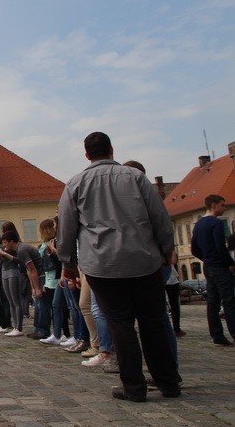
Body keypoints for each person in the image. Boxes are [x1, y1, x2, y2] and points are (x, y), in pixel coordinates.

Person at [57, 131, 180, 402]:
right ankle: (169, 383)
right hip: (144, 261)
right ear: (112, 149)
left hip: (103, 265)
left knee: (120, 325)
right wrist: (167, 250)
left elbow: (66, 229)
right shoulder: (135, 177)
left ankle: (134, 387)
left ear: (87, 155)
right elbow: (160, 217)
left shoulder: (75, 184)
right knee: (153, 323)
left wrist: (68, 264)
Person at [190, 194, 235, 346]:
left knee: (213, 301)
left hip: (208, 266)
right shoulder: (216, 223)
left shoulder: (199, 224)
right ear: (213, 205)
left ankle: (217, 335)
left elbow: (194, 249)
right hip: (219, 266)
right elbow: (220, 246)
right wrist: (230, 262)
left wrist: (205, 258)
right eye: (222, 205)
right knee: (228, 300)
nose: (224, 208)